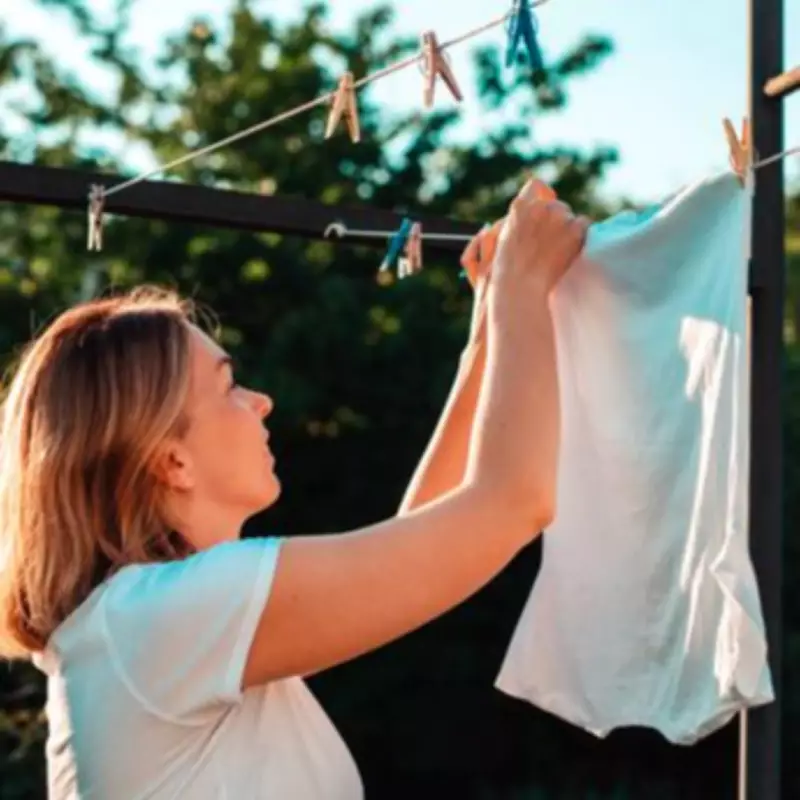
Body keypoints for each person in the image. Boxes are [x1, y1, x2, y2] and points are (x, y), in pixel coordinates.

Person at [0, 178, 588, 799]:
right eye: (228, 388)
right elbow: (508, 507)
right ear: (171, 460)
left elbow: (414, 543)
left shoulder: (157, 626)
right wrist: (522, 287)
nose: (261, 401)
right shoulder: (157, 618)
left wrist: (487, 339)